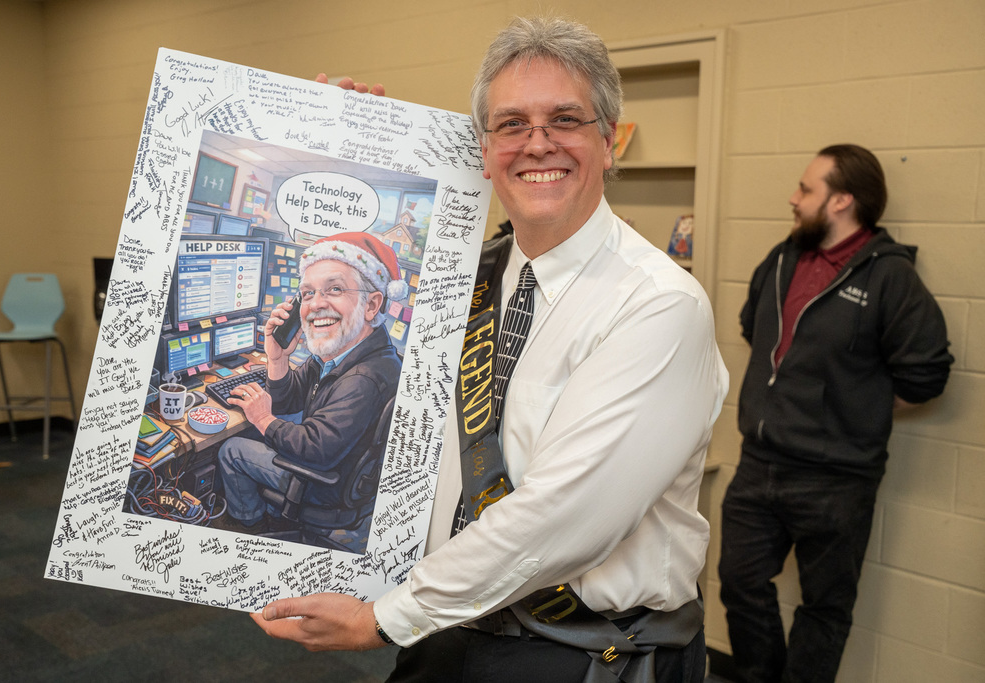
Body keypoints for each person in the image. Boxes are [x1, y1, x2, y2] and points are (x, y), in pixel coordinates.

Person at [251, 17, 729, 682]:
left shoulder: (657, 306)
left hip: (585, 653)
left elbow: (564, 517)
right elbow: (380, 395)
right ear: (484, 148)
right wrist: (348, 144)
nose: (537, 144)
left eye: (565, 119)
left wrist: (386, 617)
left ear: (609, 141)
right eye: (511, 124)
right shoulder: (458, 283)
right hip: (449, 625)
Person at [718, 144, 953, 683]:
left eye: (806, 189)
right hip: (759, 463)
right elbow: (758, 330)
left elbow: (926, 376)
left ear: (842, 199)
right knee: (738, 582)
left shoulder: (890, 277)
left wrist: (856, 403)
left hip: (836, 479)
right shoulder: (783, 258)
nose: (793, 198)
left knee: (824, 609)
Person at [216, 232, 404, 533]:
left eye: (334, 289)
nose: (315, 304)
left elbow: (316, 448)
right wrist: (277, 359)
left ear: (371, 306)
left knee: (234, 449)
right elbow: (289, 400)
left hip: (327, 485)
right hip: (339, 469)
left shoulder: (365, 378)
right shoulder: (341, 351)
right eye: (307, 293)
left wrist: (264, 418)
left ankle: (248, 526)